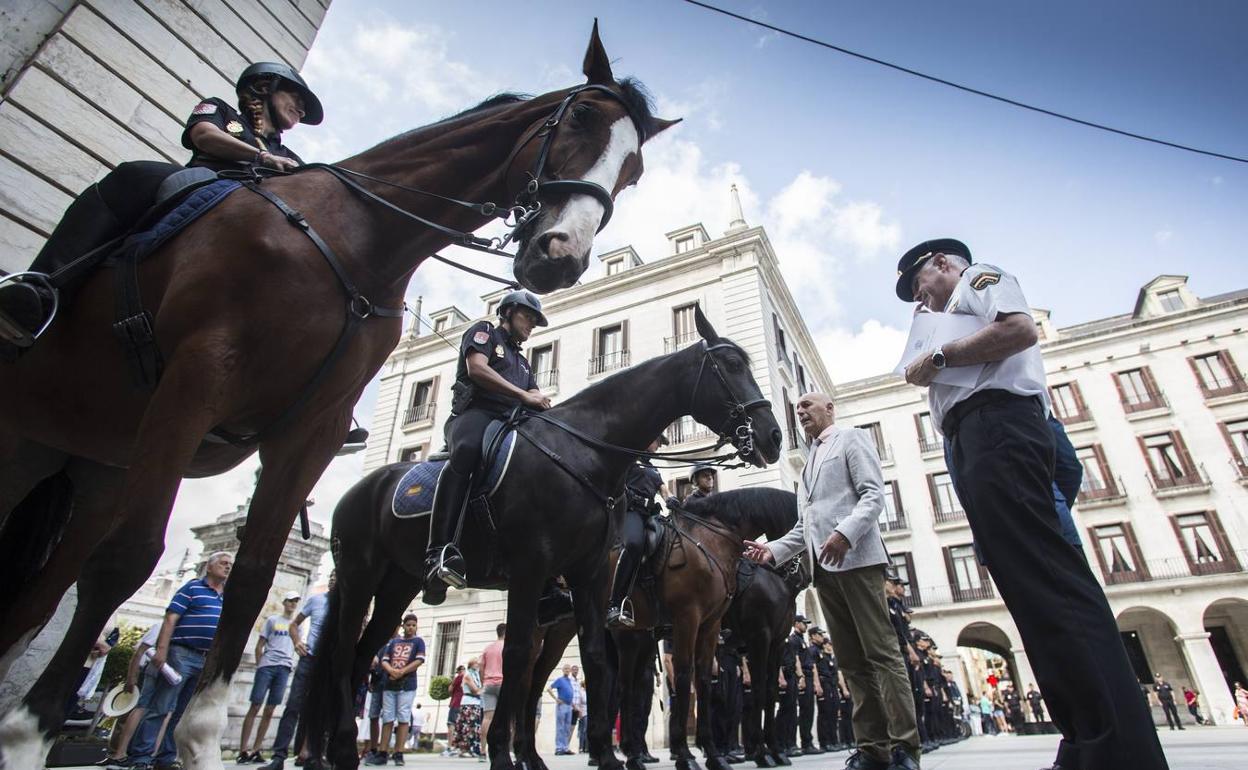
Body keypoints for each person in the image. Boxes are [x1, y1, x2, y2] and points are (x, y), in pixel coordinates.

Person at [896, 238, 1169, 770]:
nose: (918, 301)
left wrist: (936, 356)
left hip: (997, 425)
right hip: (975, 439)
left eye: (919, 286)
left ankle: (1115, 749)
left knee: (1052, 585)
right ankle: (1088, 736)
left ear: (944, 264)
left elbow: (1020, 330)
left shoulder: (979, 281)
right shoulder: (949, 308)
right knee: (1035, 598)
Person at [0, 62, 320, 350]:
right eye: (297, 98)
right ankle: (38, 288)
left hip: (255, 212)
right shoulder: (221, 110)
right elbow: (204, 136)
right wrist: (261, 157)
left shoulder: (292, 157)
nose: (301, 110)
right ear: (266, 86)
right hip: (206, 183)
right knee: (134, 175)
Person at [745, 392, 920, 770]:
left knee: (882, 653)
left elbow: (873, 496)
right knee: (853, 662)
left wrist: (845, 534)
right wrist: (771, 551)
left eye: (808, 404)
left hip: (857, 559)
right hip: (823, 570)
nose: (801, 410)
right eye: (798, 409)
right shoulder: (808, 466)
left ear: (830, 409)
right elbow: (805, 527)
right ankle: (873, 748)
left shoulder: (851, 439)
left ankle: (905, 748)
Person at [423, 290, 551, 602]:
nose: (532, 324)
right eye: (528, 316)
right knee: (467, 452)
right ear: (508, 312)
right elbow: (477, 369)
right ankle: (437, 551)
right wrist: (523, 396)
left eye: (535, 320)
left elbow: (537, 397)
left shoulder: (522, 362)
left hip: (509, 424)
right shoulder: (483, 332)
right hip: (475, 415)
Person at [123, 552, 232, 769]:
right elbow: (171, 618)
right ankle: (141, 757)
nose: (228, 567)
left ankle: (166, 757)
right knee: (161, 706)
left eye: (230, 565)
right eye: (223, 563)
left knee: (181, 712)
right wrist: (162, 650)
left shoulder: (225, 596)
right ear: (209, 567)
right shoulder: (192, 588)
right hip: (181, 653)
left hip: (204, 659)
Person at [260, 570, 336, 770]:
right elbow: (294, 624)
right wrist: (296, 642)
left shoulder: (347, 603)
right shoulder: (316, 600)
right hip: (308, 659)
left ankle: (312, 754)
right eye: (331, 577)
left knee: (320, 709)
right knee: (293, 706)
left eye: (337, 577)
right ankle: (278, 757)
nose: (333, 580)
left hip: (329, 663)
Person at [607, 437, 672, 628]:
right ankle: (615, 604)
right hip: (631, 512)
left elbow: (664, 490)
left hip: (651, 515)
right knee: (634, 544)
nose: (658, 444)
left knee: (672, 547)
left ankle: (661, 607)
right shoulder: (627, 459)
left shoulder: (653, 468)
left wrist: (672, 500)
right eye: (657, 440)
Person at [236, 592, 300, 763]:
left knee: (270, 709)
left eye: (295, 601)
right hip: (268, 664)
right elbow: (260, 645)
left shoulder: (297, 625)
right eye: (290, 601)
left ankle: (257, 749)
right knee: (255, 705)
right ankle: (243, 749)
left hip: (284, 666)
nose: (293, 604)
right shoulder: (272, 620)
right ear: (284, 602)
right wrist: (260, 664)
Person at [369, 614, 426, 766]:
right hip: (389, 685)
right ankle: (382, 752)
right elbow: (385, 660)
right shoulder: (394, 642)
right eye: (408, 625)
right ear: (403, 626)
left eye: (414, 625)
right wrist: (391, 671)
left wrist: (402, 671)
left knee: (403, 716)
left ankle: (398, 752)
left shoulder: (419, 642)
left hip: (407, 685)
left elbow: (419, 659)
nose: (411, 628)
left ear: (416, 626)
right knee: (387, 717)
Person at [102, 623, 161, 768]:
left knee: (150, 713)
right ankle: (117, 753)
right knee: (130, 712)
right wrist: (131, 677)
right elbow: (139, 652)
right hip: (145, 672)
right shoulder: (161, 626)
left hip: (156, 672)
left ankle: (126, 753)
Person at [479, 624, 506, 753]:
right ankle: (504, 749)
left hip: (488, 685)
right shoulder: (507, 647)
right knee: (506, 718)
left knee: (487, 718)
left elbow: (480, 666)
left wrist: (483, 681)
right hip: (503, 684)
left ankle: (483, 750)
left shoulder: (488, 648)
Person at [453, 658, 484, 758]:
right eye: (476, 664)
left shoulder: (477, 675)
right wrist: (484, 690)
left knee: (474, 727)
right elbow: (475, 690)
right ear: (471, 664)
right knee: (467, 726)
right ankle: (464, 749)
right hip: (468, 702)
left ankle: (472, 749)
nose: (478, 665)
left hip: (476, 702)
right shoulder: (468, 675)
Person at [549, 664, 576, 755]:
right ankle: (559, 748)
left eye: (568, 669)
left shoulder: (569, 681)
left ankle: (565, 747)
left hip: (569, 706)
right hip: (562, 705)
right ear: (562, 670)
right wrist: (555, 699)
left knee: (567, 728)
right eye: (565, 669)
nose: (567, 670)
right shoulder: (560, 680)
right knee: (560, 727)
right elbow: (549, 689)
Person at [442, 665, 466, 756]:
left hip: (456, 703)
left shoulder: (458, 678)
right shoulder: (470, 677)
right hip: (464, 704)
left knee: (451, 724)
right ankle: (459, 747)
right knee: (461, 726)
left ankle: (449, 747)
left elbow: (450, 689)